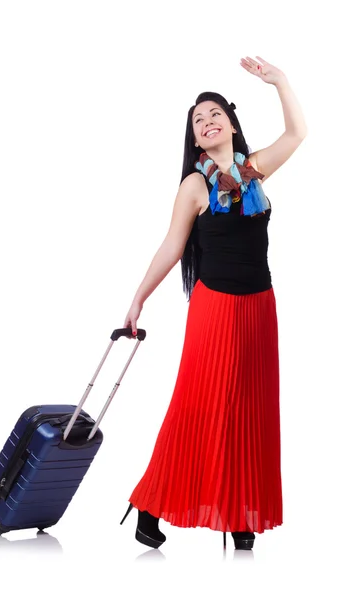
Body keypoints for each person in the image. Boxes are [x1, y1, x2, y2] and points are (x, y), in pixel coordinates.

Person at [120, 56, 307, 551]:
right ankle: (152, 501)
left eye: (213, 112)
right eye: (198, 121)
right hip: (215, 309)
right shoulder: (195, 186)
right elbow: (171, 247)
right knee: (197, 406)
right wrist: (139, 297)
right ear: (196, 139)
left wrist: (280, 81)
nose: (206, 121)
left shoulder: (255, 169)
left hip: (259, 307)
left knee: (252, 409)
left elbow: (297, 132)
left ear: (231, 123)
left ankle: (241, 511)